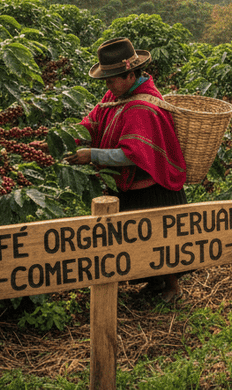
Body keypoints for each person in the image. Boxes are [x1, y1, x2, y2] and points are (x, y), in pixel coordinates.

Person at [65, 37, 188, 302]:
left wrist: (92, 155)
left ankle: (172, 287)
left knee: (162, 239)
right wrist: (65, 138)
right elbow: (93, 121)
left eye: (110, 80)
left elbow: (132, 156)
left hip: (152, 186)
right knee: (136, 240)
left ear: (130, 75)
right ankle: (155, 282)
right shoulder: (116, 95)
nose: (107, 86)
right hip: (128, 185)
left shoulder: (143, 107)